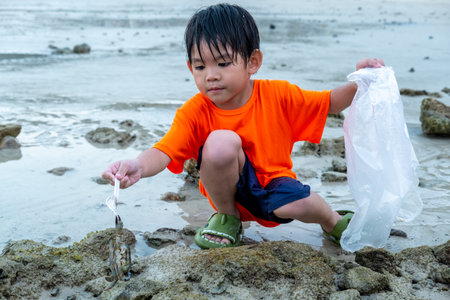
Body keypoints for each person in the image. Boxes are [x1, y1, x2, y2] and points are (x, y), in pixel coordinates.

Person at [102, 3, 384, 249]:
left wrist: (360, 81)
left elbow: (329, 102)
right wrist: (137, 165)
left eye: (223, 63)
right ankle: (227, 219)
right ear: (191, 68)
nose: (211, 76)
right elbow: (164, 151)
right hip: (227, 193)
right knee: (221, 142)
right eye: (200, 67)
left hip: (274, 184)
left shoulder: (279, 95)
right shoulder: (195, 111)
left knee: (307, 204)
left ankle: (333, 222)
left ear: (252, 62)